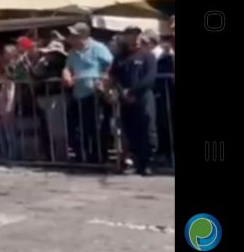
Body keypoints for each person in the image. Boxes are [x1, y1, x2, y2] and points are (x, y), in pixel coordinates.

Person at [62, 22, 114, 164]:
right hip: (78, 94)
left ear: (82, 36)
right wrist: (66, 74)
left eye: (72, 35)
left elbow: (111, 65)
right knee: (78, 127)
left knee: (96, 127)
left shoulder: (99, 48)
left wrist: (103, 78)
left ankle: (99, 157)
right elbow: (67, 67)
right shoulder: (72, 52)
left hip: (95, 94)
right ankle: (83, 156)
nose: (69, 38)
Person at [113, 27, 159, 176]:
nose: (134, 38)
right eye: (131, 35)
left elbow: (149, 77)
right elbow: (115, 76)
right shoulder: (120, 57)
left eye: (137, 35)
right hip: (125, 99)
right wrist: (122, 92)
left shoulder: (147, 55)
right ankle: (136, 161)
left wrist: (132, 92)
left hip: (143, 96)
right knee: (130, 130)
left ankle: (148, 163)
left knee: (147, 129)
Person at [32, 40, 69, 162]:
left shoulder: (63, 65)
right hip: (44, 98)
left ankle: (60, 156)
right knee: (46, 128)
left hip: (56, 97)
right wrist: (41, 62)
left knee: (58, 129)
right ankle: (49, 155)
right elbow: (35, 74)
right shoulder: (44, 64)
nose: (47, 55)